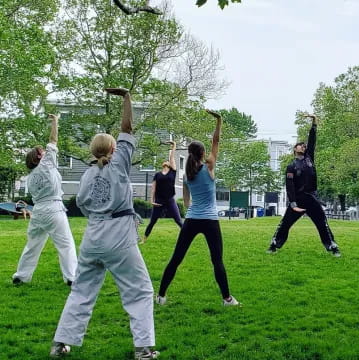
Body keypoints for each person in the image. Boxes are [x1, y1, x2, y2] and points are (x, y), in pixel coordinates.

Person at [50, 88, 158, 359]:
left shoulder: (86, 175)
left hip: (92, 238)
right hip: (118, 237)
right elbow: (128, 128)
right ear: (113, 149)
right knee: (140, 291)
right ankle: (143, 349)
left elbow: (82, 204)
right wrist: (127, 98)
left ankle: (60, 343)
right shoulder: (119, 164)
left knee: (81, 291)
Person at [156, 110, 239, 307]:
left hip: (192, 219)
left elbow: (186, 203)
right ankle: (227, 299)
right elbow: (216, 141)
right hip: (210, 220)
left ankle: (160, 296)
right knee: (217, 261)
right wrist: (219, 120)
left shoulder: (186, 176)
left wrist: (195, 211)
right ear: (203, 154)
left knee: (176, 258)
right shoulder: (209, 168)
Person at [12, 114, 77, 285]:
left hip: (38, 211)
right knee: (66, 245)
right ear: (40, 157)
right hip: (54, 209)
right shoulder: (47, 164)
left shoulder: (30, 177)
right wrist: (55, 121)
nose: (46, 152)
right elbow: (53, 140)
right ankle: (71, 277)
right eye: (43, 152)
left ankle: (21, 276)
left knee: (32, 246)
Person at [267, 114, 340, 257]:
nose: (303, 146)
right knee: (285, 223)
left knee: (322, 223)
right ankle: (274, 244)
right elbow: (289, 186)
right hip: (298, 199)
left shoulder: (309, 159)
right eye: (301, 145)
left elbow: (312, 140)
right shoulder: (291, 166)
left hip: (312, 198)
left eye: (304, 145)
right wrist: (293, 203)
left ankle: (332, 246)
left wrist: (314, 123)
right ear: (295, 149)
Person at [142, 140, 183, 243]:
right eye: (165, 161)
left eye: (168, 161)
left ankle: (187, 237)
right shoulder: (157, 174)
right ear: (162, 165)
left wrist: (174, 146)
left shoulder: (172, 172)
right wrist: (152, 201)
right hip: (159, 201)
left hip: (170, 200)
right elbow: (153, 188)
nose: (166, 161)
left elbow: (172, 157)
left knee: (178, 220)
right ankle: (144, 239)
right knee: (152, 222)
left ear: (169, 164)